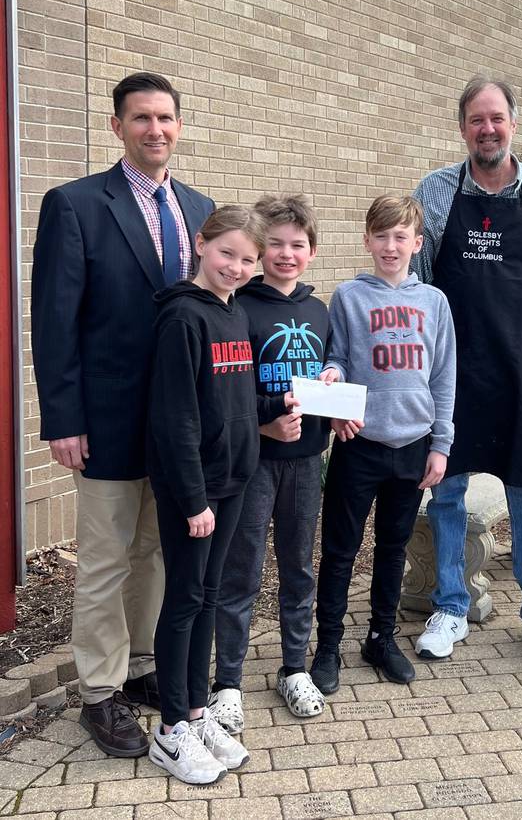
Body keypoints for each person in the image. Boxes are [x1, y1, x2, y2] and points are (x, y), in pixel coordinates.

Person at [30, 72, 214, 757]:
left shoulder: (200, 209)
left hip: (178, 429)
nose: (155, 129)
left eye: (166, 117)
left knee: (155, 552)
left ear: (179, 125)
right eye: (141, 118)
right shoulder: (75, 205)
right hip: (104, 422)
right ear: (117, 126)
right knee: (107, 558)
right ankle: (99, 694)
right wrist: (63, 419)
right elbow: (55, 323)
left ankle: (141, 668)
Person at [411, 75, 522, 666]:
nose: (486, 129)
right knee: (447, 492)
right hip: (452, 372)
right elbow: (418, 286)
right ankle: (451, 606)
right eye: (475, 120)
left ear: (514, 122)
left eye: (496, 118)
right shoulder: (434, 193)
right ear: (461, 126)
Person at [309, 195, 456, 692]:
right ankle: (327, 645)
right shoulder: (349, 296)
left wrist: (441, 444)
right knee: (340, 550)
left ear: (416, 243)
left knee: (393, 548)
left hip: (414, 444)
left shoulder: (434, 302)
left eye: (401, 237)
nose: (390, 246)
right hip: (360, 442)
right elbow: (339, 360)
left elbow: (443, 377)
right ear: (367, 240)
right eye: (381, 236)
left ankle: (380, 636)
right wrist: (332, 381)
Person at [146, 205, 264, 785]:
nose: (236, 267)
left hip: (233, 482)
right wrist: (193, 500)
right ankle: (169, 731)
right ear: (201, 243)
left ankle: (195, 712)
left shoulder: (234, 314)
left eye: (248, 260)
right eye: (227, 254)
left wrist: (285, 406)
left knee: (209, 597)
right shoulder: (182, 319)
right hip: (195, 491)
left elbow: (233, 404)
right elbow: (176, 420)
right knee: (185, 601)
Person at [209, 195, 330, 731]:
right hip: (253, 463)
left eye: (297, 245)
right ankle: (227, 681)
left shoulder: (317, 310)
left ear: (311, 252)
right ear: (259, 251)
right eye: (274, 244)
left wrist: (335, 400)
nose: (286, 253)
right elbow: (228, 393)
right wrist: (263, 424)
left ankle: (293, 667)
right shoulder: (240, 307)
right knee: (242, 570)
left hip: (306, 462)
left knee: (299, 568)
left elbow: (327, 376)